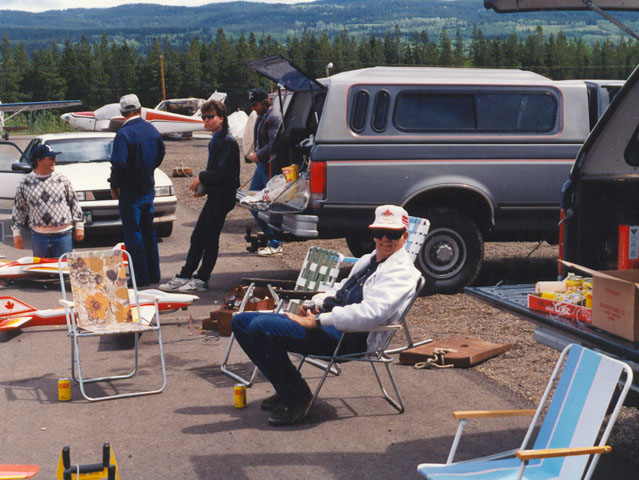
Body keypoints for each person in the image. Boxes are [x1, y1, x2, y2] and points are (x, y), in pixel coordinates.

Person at [231, 204, 421, 426]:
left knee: (260, 328)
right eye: (380, 233)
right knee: (242, 322)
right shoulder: (370, 259)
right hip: (330, 323)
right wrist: (315, 304)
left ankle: (297, 396)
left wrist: (318, 320)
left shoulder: (401, 273)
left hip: (349, 337)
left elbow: (371, 314)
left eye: (394, 234)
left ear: (405, 236)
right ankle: (286, 387)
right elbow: (340, 289)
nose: (385, 239)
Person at [159, 100, 240, 293]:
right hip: (216, 195)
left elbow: (225, 174)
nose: (206, 120)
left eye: (210, 117)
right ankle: (186, 275)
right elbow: (216, 173)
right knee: (198, 237)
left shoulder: (228, 142)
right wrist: (204, 186)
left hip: (223, 197)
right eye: (204, 117)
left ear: (221, 118)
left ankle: (201, 279)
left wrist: (201, 177)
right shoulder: (216, 140)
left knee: (209, 239)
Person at [109, 93, 165, 287]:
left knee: (133, 234)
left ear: (121, 112)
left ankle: (140, 277)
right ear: (140, 110)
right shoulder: (151, 129)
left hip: (129, 190)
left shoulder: (123, 134)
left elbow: (119, 163)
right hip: (147, 186)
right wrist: (148, 170)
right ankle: (154, 273)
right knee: (148, 231)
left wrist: (114, 184)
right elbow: (161, 153)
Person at [12, 144, 85, 258]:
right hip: (39, 237)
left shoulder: (62, 179)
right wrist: (16, 234)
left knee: (64, 271)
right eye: (51, 158)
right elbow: (18, 209)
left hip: (64, 235)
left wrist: (79, 226)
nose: (55, 160)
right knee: (42, 272)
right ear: (39, 160)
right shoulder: (25, 183)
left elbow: (74, 203)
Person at [245, 87, 284, 256]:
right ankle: (269, 237)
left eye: (254, 104)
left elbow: (274, 144)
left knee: (270, 205)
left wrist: (258, 155)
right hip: (261, 166)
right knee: (252, 202)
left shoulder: (274, 117)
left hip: (269, 166)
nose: (253, 107)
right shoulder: (262, 116)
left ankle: (276, 243)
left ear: (263, 102)